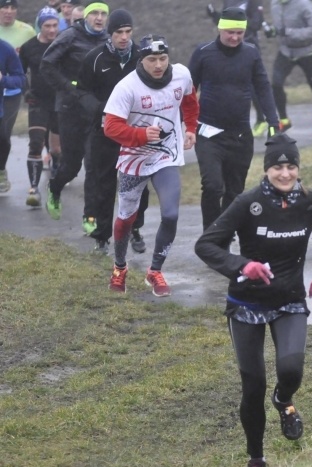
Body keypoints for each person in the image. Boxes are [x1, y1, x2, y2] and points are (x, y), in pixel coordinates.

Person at [195, 133, 312, 467]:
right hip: (245, 304)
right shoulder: (248, 202)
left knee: (291, 370)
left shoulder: (311, 202)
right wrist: (242, 265)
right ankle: (256, 458)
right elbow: (206, 245)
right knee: (253, 385)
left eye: (291, 166)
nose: (285, 173)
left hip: (289, 300)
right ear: (266, 170)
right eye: (278, 167)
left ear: (298, 169)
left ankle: (283, 400)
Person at [104, 34, 198, 297]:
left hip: (166, 157)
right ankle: (119, 267)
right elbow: (110, 127)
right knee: (126, 218)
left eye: (163, 58)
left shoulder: (181, 75)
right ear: (141, 60)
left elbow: (190, 101)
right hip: (134, 159)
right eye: (152, 60)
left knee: (171, 214)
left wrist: (191, 128)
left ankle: (155, 270)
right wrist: (141, 135)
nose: (158, 65)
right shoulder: (127, 87)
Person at [189, 6, 279, 233]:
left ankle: (224, 235)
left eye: (240, 33)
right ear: (220, 28)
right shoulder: (204, 52)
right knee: (213, 186)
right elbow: (188, 90)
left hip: (240, 135)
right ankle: (210, 236)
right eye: (230, 32)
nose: (235, 37)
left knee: (235, 191)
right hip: (208, 133)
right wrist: (185, 123)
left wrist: (273, 121)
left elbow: (263, 87)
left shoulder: (251, 53)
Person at [75, 8, 149, 255]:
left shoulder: (141, 56)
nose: (124, 37)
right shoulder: (95, 58)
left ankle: (135, 229)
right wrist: (100, 110)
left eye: (128, 31)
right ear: (110, 33)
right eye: (119, 32)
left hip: (135, 132)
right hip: (105, 131)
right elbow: (82, 91)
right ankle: (102, 236)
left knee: (138, 184)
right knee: (104, 184)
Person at [41, 1, 109, 233]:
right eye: (94, 13)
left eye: (103, 14)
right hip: (70, 109)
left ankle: (90, 217)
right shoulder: (70, 36)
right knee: (71, 166)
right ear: (85, 17)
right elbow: (47, 64)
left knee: (93, 164)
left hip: (94, 110)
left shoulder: (109, 40)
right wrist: (70, 88)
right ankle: (55, 187)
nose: (99, 18)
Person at [205, 0, 271, 137]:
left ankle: (262, 120)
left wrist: (238, 22)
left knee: (252, 85)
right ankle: (227, 122)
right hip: (229, 49)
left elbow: (256, 24)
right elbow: (224, 26)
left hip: (249, 47)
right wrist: (214, 14)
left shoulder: (253, 2)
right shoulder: (228, 1)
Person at [264, 0, 312, 140]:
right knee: (276, 84)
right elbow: (279, 28)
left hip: (307, 52)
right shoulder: (275, 3)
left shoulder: (304, 5)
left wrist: (288, 32)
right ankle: (284, 121)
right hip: (286, 51)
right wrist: (272, 31)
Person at [18, 7, 61, 206]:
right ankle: (34, 189)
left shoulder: (64, 44)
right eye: (47, 26)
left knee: (56, 149)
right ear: (39, 26)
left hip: (60, 102)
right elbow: (19, 72)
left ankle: (56, 174)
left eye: (55, 25)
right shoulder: (28, 47)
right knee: (36, 143)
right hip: (38, 101)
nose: (52, 30)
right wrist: (26, 91)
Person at [0, 0, 35, 192]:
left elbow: (23, 72)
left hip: (10, 93)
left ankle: (1, 169)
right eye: (4, 7)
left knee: (3, 134)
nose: (8, 11)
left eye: (12, 7)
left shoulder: (25, 32)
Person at [0, 35, 24, 194]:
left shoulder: (5, 48)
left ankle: (1, 170)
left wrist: (3, 79)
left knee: (3, 139)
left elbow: (20, 79)